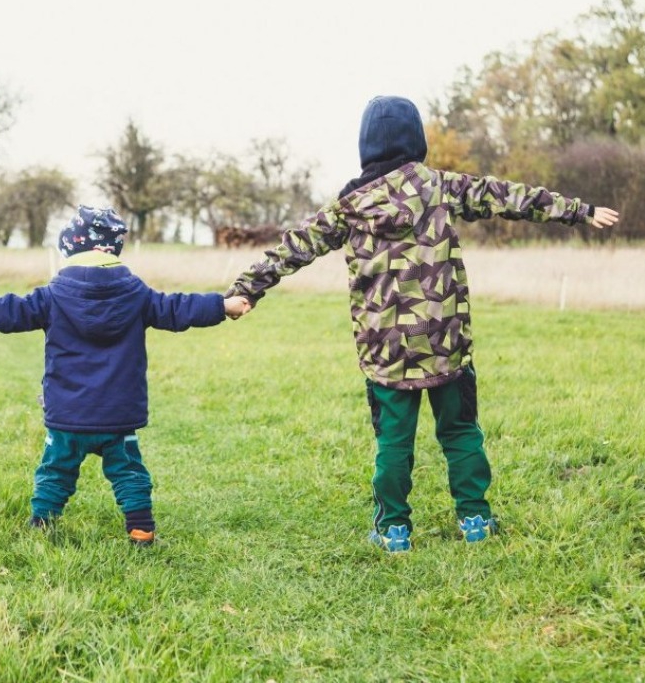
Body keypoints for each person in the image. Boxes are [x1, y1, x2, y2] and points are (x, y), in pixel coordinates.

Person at [226, 95, 619, 553]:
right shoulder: (439, 186)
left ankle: (393, 529)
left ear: (366, 147)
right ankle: (474, 519)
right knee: (460, 432)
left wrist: (247, 289)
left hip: (386, 352)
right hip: (445, 341)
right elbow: (506, 196)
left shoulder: (348, 207)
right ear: (417, 140)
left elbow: (293, 247)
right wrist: (578, 210)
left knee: (393, 442)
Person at [0, 205, 250, 545]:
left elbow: (5, 311)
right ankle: (140, 528)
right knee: (129, 472)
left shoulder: (52, 296)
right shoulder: (137, 295)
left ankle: (42, 523)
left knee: (55, 470)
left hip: (68, 414)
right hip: (117, 414)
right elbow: (178, 308)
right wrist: (222, 306)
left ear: (70, 249)